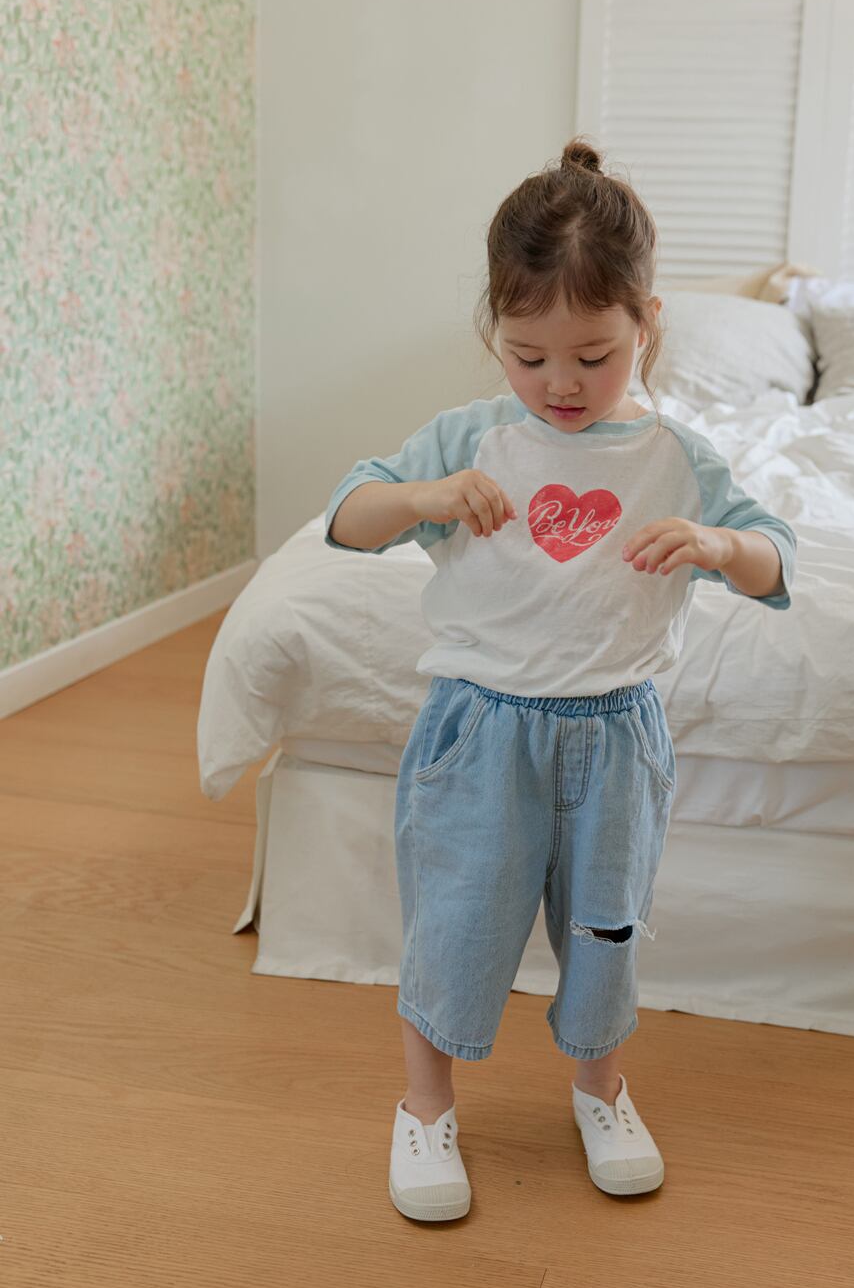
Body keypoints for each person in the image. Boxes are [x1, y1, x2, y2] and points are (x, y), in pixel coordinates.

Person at [325, 138, 797, 1222]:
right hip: (480, 734)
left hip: (617, 739)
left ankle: (601, 1090)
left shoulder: (677, 459)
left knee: (606, 934)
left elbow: (774, 558)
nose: (561, 384)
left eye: (593, 354)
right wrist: (425, 499)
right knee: (455, 926)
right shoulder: (470, 439)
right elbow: (349, 518)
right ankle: (424, 1107)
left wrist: (720, 547)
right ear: (495, 332)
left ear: (647, 325)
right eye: (528, 356)